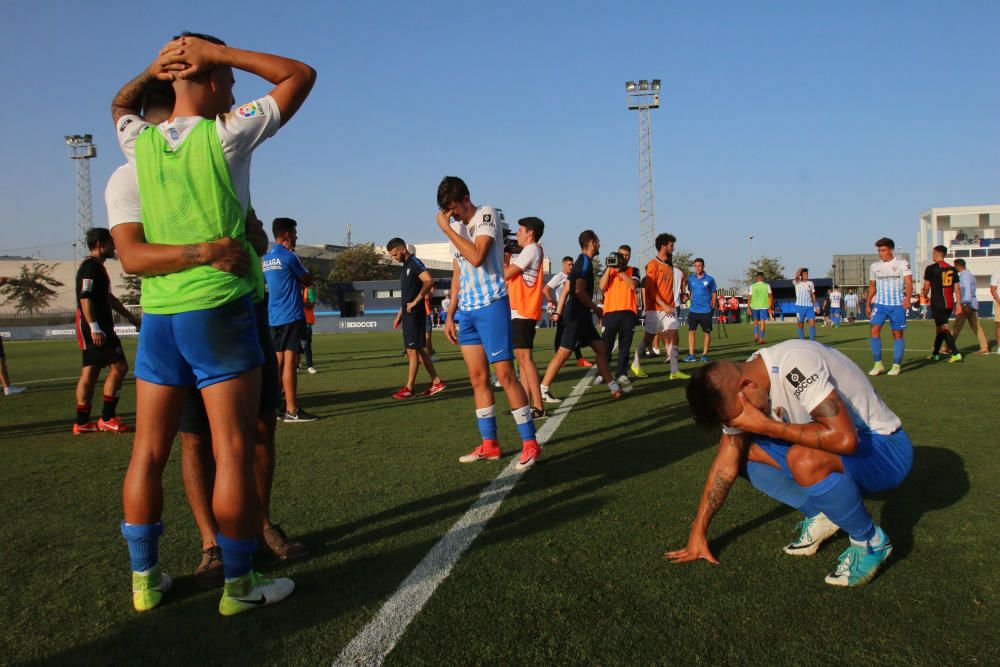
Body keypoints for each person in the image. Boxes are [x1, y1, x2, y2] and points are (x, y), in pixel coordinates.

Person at [111, 32, 315, 615]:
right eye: (224, 78)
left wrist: (155, 66)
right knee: (231, 448)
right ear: (205, 76)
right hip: (219, 308)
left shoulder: (139, 143)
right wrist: (220, 53)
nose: (231, 87)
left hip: (161, 317)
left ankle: (145, 582)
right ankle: (240, 587)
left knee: (147, 453)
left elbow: (121, 106)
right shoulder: (226, 133)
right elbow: (299, 73)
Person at [667, 339, 913, 587]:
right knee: (742, 452)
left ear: (747, 386)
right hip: (845, 449)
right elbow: (725, 466)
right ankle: (823, 515)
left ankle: (870, 542)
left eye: (735, 418)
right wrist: (698, 531)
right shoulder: (750, 377)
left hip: (885, 451)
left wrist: (767, 426)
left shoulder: (796, 364)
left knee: (803, 459)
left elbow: (844, 439)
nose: (738, 424)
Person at [436, 177, 540, 470]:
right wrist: (451, 312)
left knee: (506, 375)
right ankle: (490, 444)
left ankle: (530, 444)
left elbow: (478, 257)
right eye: (447, 210)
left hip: (492, 305)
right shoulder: (454, 228)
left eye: (453, 207)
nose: (451, 214)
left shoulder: (486, 214)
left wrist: (447, 229)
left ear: (466, 198)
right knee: (478, 379)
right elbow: (459, 270)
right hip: (467, 312)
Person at [540, 230, 627, 397]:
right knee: (563, 353)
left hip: (582, 317)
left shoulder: (582, 262)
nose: (600, 244)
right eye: (598, 241)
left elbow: (567, 288)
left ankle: (614, 388)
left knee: (601, 349)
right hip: (575, 316)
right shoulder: (584, 263)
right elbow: (579, 291)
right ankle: (543, 389)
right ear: (593, 243)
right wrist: (595, 308)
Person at [73, 228, 142, 434]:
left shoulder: (98, 268)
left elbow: (109, 298)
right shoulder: (90, 268)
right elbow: (85, 297)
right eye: (111, 243)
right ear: (99, 245)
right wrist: (94, 327)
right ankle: (107, 418)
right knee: (119, 367)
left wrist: (130, 317)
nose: (114, 247)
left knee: (92, 371)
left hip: (101, 328)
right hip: (96, 329)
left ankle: (83, 422)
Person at [262, 217, 319, 422]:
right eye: (294, 233)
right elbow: (307, 279)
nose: (296, 236)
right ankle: (292, 410)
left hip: (273, 317)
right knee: (290, 362)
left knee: (277, 363)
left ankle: (275, 406)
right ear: (286, 235)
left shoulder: (266, 259)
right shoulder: (290, 257)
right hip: (291, 315)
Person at [387, 237, 445, 399]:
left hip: (416, 314)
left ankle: (409, 388)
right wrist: (399, 315)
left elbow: (428, 281)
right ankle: (436, 381)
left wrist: (416, 302)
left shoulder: (414, 263)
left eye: (395, 254)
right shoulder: (406, 267)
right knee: (418, 349)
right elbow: (406, 297)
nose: (394, 258)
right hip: (408, 315)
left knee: (412, 351)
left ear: (403, 249)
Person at [504, 217, 547, 418]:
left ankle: (538, 406)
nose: (517, 234)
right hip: (520, 309)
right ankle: (525, 405)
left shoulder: (531, 249)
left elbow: (506, 274)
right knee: (522, 359)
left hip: (524, 309)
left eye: (520, 230)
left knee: (525, 358)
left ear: (530, 233)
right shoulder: (531, 250)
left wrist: (499, 256)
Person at [631, 234, 680, 379]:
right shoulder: (652, 265)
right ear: (663, 246)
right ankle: (635, 364)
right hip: (655, 309)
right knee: (648, 339)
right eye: (671, 245)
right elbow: (651, 291)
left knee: (674, 334)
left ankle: (674, 371)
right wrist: (664, 305)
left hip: (668, 308)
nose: (673, 248)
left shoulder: (669, 265)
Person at [866, 237, 912, 376]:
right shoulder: (874, 266)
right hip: (880, 304)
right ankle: (878, 364)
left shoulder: (902, 263)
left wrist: (908, 299)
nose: (881, 253)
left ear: (891, 250)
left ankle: (896, 365)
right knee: (874, 329)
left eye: (884, 250)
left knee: (897, 334)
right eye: (879, 250)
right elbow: (872, 286)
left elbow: (909, 283)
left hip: (897, 305)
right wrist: (868, 303)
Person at [544, 256, 591, 389]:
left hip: (573, 310)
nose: (571, 267)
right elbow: (546, 289)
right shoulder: (559, 276)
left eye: (572, 265)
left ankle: (579, 359)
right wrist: (553, 302)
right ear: (564, 264)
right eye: (569, 264)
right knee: (561, 334)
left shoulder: (574, 277)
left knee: (574, 333)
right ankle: (563, 359)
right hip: (563, 310)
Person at [598, 245, 640, 386]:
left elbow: (633, 286)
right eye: (622, 255)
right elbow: (602, 286)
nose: (625, 258)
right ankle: (603, 373)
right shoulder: (609, 269)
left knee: (625, 346)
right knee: (606, 346)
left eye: (628, 255)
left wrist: (620, 271)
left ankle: (622, 373)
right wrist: (611, 269)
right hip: (610, 311)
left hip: (628, 311)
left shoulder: (633, 270)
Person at [921, 245, 962, 363]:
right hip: (949, 303)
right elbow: (957, 288)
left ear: (936, 254)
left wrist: (924, 296)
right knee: (940, 329)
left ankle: (956, 353)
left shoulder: (931, 268)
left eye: (933, 253)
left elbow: (926, 287)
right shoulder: (952, 269)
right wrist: (958, 303)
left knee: (944, 328)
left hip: (938, 303)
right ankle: (935, 354)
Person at [948, 259, 991, 355]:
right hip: (972, 303)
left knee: (957, 326)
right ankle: (984, 347)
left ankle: (947, 346)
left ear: (958, 266)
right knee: (976, 326)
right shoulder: (970, 275)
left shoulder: (964, 276)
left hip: (966, 304)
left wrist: (964, 304)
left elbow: (966, 290)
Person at [684, 259, 717, 362]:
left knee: (706, 333)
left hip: (706, 310)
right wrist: (688, 299)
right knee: (691, 332)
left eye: (699, 266)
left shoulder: (710, 279)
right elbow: (691, 292)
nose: (697, 268)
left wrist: (713, 305)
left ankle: (704, 355)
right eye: (696, 266)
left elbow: (714, 293)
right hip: (693, 310)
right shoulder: (691, 279)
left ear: (703, 266)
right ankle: (691, 355)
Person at [792, 267, 817, 341]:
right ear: (801, 275)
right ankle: (802, 340)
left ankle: (812, 341)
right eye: (804, 274)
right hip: (800, 307)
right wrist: (800, 269)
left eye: (807, 274)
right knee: (800, 324)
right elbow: (796, 276)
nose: (806, 275)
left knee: (812, 323)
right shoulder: (797, 282)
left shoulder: (811, 283)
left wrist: (816, 305)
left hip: (809, 307)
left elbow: (813, 295)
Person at [749, 272, 773, 344]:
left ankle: (756, 336)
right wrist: (770, 307)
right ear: (763, 278)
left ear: (757, 278)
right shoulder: (767, 286)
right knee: (762, 323)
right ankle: (761, 339)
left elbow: (749, 297)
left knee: (756, 322)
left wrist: (748, 307)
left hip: (754, 306)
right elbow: (770, 296)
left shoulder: (752, 286)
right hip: (764, 306)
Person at [300, 282, 317, 374]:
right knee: (294, 345)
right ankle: (296, 365)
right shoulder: (293, 289)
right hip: (295, 321)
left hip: (306, 322)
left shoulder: (308, 290)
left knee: (306, 345)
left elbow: (311, 305)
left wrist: (301, 303)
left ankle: (310, 366)